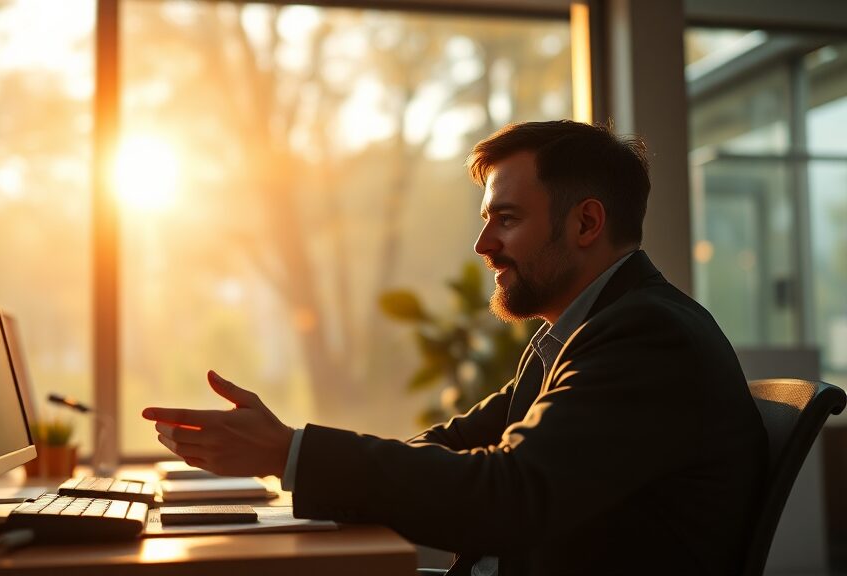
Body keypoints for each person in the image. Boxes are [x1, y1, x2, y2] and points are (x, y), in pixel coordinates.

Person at [142, 120, 768, 575]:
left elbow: (508, 495)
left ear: (585, 223)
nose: (483, 244)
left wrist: (290, 453)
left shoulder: (645, 338)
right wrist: (290, 456)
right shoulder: (577, 331)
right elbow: (454, 446)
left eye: (508, 219)